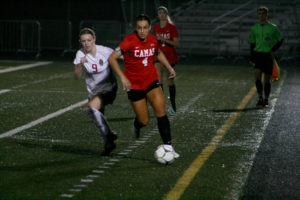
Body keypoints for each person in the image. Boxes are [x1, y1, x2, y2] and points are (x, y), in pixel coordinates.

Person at [108, 14, 179, 158]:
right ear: (136, 28)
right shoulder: (129, 41)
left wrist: (169, 68)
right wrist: (122, 77)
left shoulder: (153, 40)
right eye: (139, 28)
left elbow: (158, 53)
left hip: (151, 81)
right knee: (144, 120)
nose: (142, 31)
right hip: (135, 86)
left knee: (161, 113)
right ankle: (136, 124)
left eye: (145, 28)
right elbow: (112, 58)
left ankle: (168, 147)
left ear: (149, 28)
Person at [74, 28, 118, 156]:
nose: (86, 43)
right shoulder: (80, 54)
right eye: (83, 41)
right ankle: (108, 144)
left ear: (94, 40)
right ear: (80, 42)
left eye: (89, 40)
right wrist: (79, 66)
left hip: (109, 88)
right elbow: (77, 76)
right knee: (98, 117)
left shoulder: (105, 51)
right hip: (94, 91)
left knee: (91, 108)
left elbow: (121, 56)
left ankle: (109, 136)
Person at [249, 6, 283, 108]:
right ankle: (260, 98)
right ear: (257, 15)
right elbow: (252, 43)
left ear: (267, 14)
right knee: (258, 77)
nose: (261, 15)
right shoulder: (254, 28)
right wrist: (251, 57)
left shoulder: (273, 28)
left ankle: (266, 99)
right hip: (258, 55)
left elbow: (280, 40)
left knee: (267, 79)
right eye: (259, 13)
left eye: (263, 13)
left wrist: (273, 50)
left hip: (267, 56)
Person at [153, 6, 179, 115]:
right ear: (158, 15)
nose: (162, 14)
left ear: (166, 14)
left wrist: (163, 39)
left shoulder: (172, 27)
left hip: (169, 56)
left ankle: (173, 106)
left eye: (164, 13)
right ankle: (161, 106)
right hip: (158, 56)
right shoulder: (155, 28)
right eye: (160, 13)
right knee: (159, 82)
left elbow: (175, 43)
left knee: (170, 81)